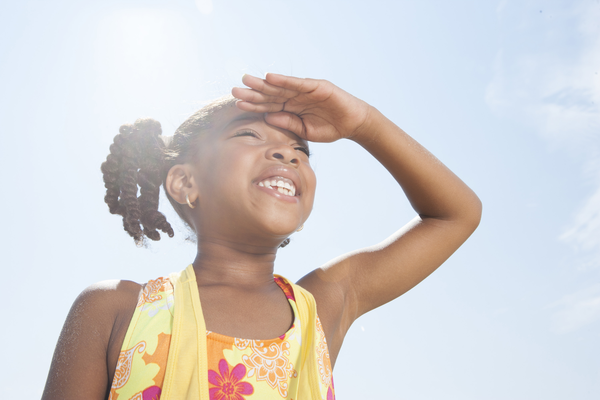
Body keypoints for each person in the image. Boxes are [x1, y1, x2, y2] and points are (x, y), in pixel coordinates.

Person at [42, 73, 482, 400]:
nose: (286, 153)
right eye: (249, 133)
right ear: (185, 184)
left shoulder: (321, 306)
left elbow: (456, 214)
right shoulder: (118, 309)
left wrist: (363, 123)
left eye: (300, 150)